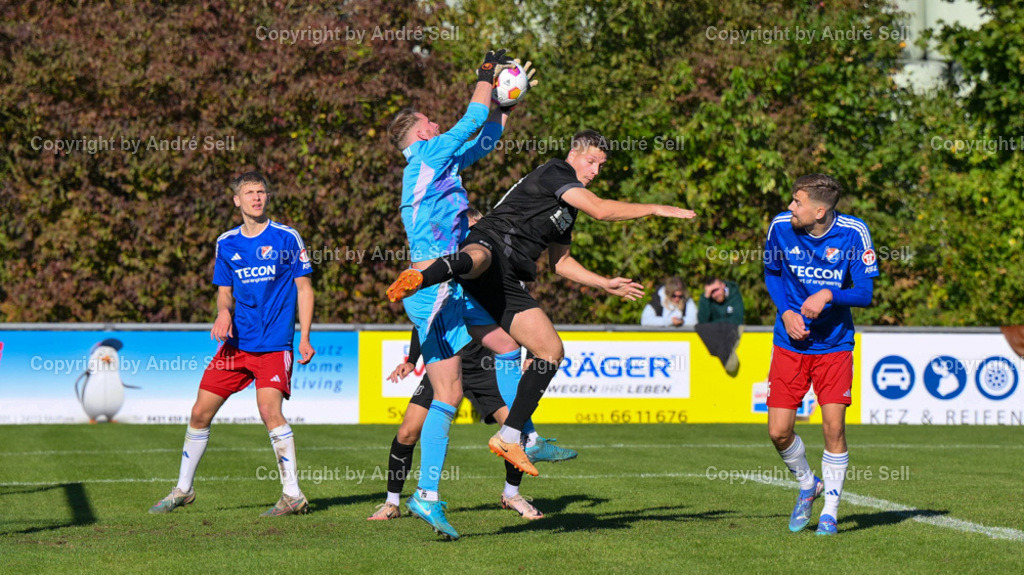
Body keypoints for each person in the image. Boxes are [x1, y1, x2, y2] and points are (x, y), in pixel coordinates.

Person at [386, 130, 696, 475]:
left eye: (601, 165)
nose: (595, 171)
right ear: (573, 154)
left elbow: (560, 263)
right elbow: (601, 210)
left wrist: (604, 283)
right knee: (479, 254)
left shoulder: (567, 209)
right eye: (591, 161)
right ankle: (422, 277)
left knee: (551, 350)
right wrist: (654, 208)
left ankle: (510, 435)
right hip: (491, 244)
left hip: (507, 281)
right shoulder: (555, 172)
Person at [384, 48, 536, 540]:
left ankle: (518, 435)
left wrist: (505, 109)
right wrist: (487, 77)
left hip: (451, 287)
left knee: (508, 346)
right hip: (430, 293)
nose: (436, 121)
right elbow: (473, 115)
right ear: (420, 132)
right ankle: (427, 496)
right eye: (429, 119)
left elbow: (486, 136)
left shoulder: (440, 166)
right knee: (447, 392)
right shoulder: (427, 156)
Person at [148, 171, 316, 516]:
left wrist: (305, 336)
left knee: (270, 412)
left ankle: (293, 495)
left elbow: (304, 288)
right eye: (249, 193)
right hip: (236, 346)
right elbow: (224, 293)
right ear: (237, 200)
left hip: (273, 345)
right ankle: (183, 489)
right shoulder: (226, 243)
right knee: (199, 413)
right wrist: (223, 314)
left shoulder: (286, 237)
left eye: (261, 192)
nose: (257, 197)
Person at [762, 173, 878, 535]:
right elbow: (772, 273)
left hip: (834, 346)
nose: (790, 207)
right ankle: (807, 483)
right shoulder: (780, 226)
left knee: (834, 428)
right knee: (779, 432)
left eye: (797, 202)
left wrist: (828, 293)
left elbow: (864, 292)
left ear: (820, 210)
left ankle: (830, 509)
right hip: (790, 343)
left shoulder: (854, 233)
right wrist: (786, 311)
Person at [367, 327, 577, 522]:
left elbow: (518, 317)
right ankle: (392, 503)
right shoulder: (441, 288)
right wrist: (412, 360)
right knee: (407, 433)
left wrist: (531, 355)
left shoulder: (495, 286)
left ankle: (511, 495)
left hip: (486, 369)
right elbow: (424, 320)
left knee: (516, 434)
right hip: (445, 365)